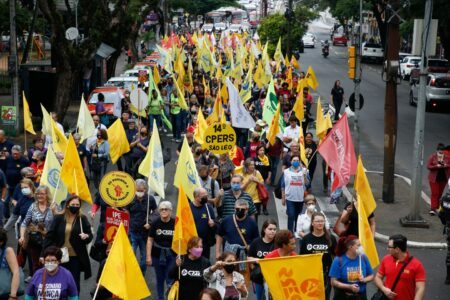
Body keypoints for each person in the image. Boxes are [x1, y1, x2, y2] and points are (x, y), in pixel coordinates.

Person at [42, 195, 93, 293]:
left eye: (77, 204)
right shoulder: (58, 218)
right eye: (73, 204)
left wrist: (86, 236)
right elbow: (49, 236)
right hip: (60, 257)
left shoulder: (82, 218)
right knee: (59, 281)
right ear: (67, 205)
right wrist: (43, 254)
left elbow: (89, 235)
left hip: (76, 257)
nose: (75, 206)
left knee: (74, 282)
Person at [216, 200, 259, 283]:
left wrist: (253, 256)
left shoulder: (252, 223)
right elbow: (219, 235)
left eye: (242, 209)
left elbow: (256, 240)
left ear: (247, 210)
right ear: (234, 208)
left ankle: (243, 295)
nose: (239, 211)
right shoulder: (226, 220)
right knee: (227, 277)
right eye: (237, 209)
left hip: (245, 257)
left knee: (244, 280)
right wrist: (217, 252)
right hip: (229, 257)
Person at [374, 234, 426, 300]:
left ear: (397, 249)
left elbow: (420, 288)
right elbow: (378, 277)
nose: (387, 249)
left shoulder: (417, 265)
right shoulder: (386, 259)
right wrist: (383, 289)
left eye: (389, 247)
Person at [19, 185, 54, 276]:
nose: (39, 196)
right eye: (38, 194)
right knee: (36, 265)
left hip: (50, 241)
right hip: (35, 240)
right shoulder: (33, 206)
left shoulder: (53, 206)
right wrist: (22, 236)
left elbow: (61, 221)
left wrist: (55, 211)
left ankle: (48, 285)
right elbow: (24, 223)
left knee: (49, 264)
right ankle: (37, 285)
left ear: (47, 195)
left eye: (42, 194)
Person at [300, 212, 336, 300]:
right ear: (312, 223)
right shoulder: (306, 239)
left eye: (322, 221)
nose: (320, 223)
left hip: (326, 274)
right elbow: (301, 257)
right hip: (310, 274)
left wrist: (334, 274)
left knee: (324, 297)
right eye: (317, 221)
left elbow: (336, 256)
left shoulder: (331, 238)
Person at [125, 179, 157, 274]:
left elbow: (156, 213)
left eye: (141, 190)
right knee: (131, 255)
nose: (139, 192)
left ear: (145, 190)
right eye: (137, 190)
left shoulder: (150, 199)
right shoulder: (129, 198)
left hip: (144, 233)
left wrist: (150, 223)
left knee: (144, 258)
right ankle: (132, 274)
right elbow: (125, 212)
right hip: (132, 231)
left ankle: (141, 275)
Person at [329, 235, 374, 300]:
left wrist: (364, 279)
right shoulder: (338, 260)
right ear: (350, 247)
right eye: (358, 245)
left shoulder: (363, 257)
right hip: (343, 296)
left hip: (361, 296)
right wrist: (349, 287)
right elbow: (333, 282)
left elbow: (371, 275)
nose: (361, 247)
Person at [146, 201, 175, 300]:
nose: (163, 211)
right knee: (160, 279)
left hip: (172, 256)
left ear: (170, 211)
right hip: (157, 256)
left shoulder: (176, 223)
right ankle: (160, 298)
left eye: (166, 209)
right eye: (161, 209)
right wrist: (148, 256)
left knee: (170, 279)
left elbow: (180, 240)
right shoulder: (155, 223)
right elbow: (150, 240)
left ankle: (170, 297)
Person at [248, 219, 277, 300]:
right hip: (259, 277)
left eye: (274, 229)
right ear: (264, 229)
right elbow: (248, 257)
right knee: (260, 298)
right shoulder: (256, 242)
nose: (273, 231)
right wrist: (256, 259)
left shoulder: (278, 243)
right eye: (270, 229)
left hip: (274, 276)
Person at [281, 154, 309, 232]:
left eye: (297, 160)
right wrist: (283, 198)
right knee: (291, 215)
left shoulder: (304, 171)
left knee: (297, 216)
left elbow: (307, 184)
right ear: (291, 161)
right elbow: (283, 185)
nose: (296, 162)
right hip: (289, 198)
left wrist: (304, 176)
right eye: (294, 160)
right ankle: (290, 232)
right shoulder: (286, 172)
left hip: (300, 198)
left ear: (300, 162)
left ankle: (296, 230)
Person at [3, 145, 30, 219]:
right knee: (5, 202)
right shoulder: (8, 159)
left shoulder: (24, 160)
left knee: (19, 202)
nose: (15, 155)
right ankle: (7, 217)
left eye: (16, 154)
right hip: (9, 185)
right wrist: (5, 182)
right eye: (13, 153)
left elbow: (28, 172)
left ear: (20, 153)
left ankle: (19, 217)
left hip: (19, 186)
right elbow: (4, 170)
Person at [190, 187, 216, 259]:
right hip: (192, 243)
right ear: (196, 197)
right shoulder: (188, 208)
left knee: (204, 263)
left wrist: (213, 224)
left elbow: (215, 223)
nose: (206, 198)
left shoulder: (208, 207)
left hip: (205, 244)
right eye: (204, 196)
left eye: (206, 196)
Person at [427, 143, 450, 215]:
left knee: (439, 193)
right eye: (439, 151)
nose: (441, 153)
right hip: (434, 178)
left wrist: (446, 165)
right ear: (437, 151)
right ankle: (433, 208)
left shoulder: (447, 158)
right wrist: (436, 166)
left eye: (442, 152)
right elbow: (428, 166)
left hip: (443, 178)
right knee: (435, 193)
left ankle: (436, 207)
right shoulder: (432, 157)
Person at [0, 228, 21, 300]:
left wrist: (13, 295)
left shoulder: (7, 251)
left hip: (4, 294)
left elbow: (16, 272)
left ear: (1, 242)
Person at [253, 145, 271, 215]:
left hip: (264, 181)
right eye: (260, 150)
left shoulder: (267, 159)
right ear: (257, 151)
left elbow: (270, 170)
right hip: (256, 180)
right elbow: (252, 169)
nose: (262, 152)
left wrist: (269, 178)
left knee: (264, 196)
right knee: (257, 195)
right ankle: (257, 209)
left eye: (263, 150)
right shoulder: (254, 159)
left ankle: (264, 208)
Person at [439, 179, 450, 284]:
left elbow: (441, 213)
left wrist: (445, 224)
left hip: (448, 228)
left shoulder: (444, 199)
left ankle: (448, 277)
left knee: (449, 253)